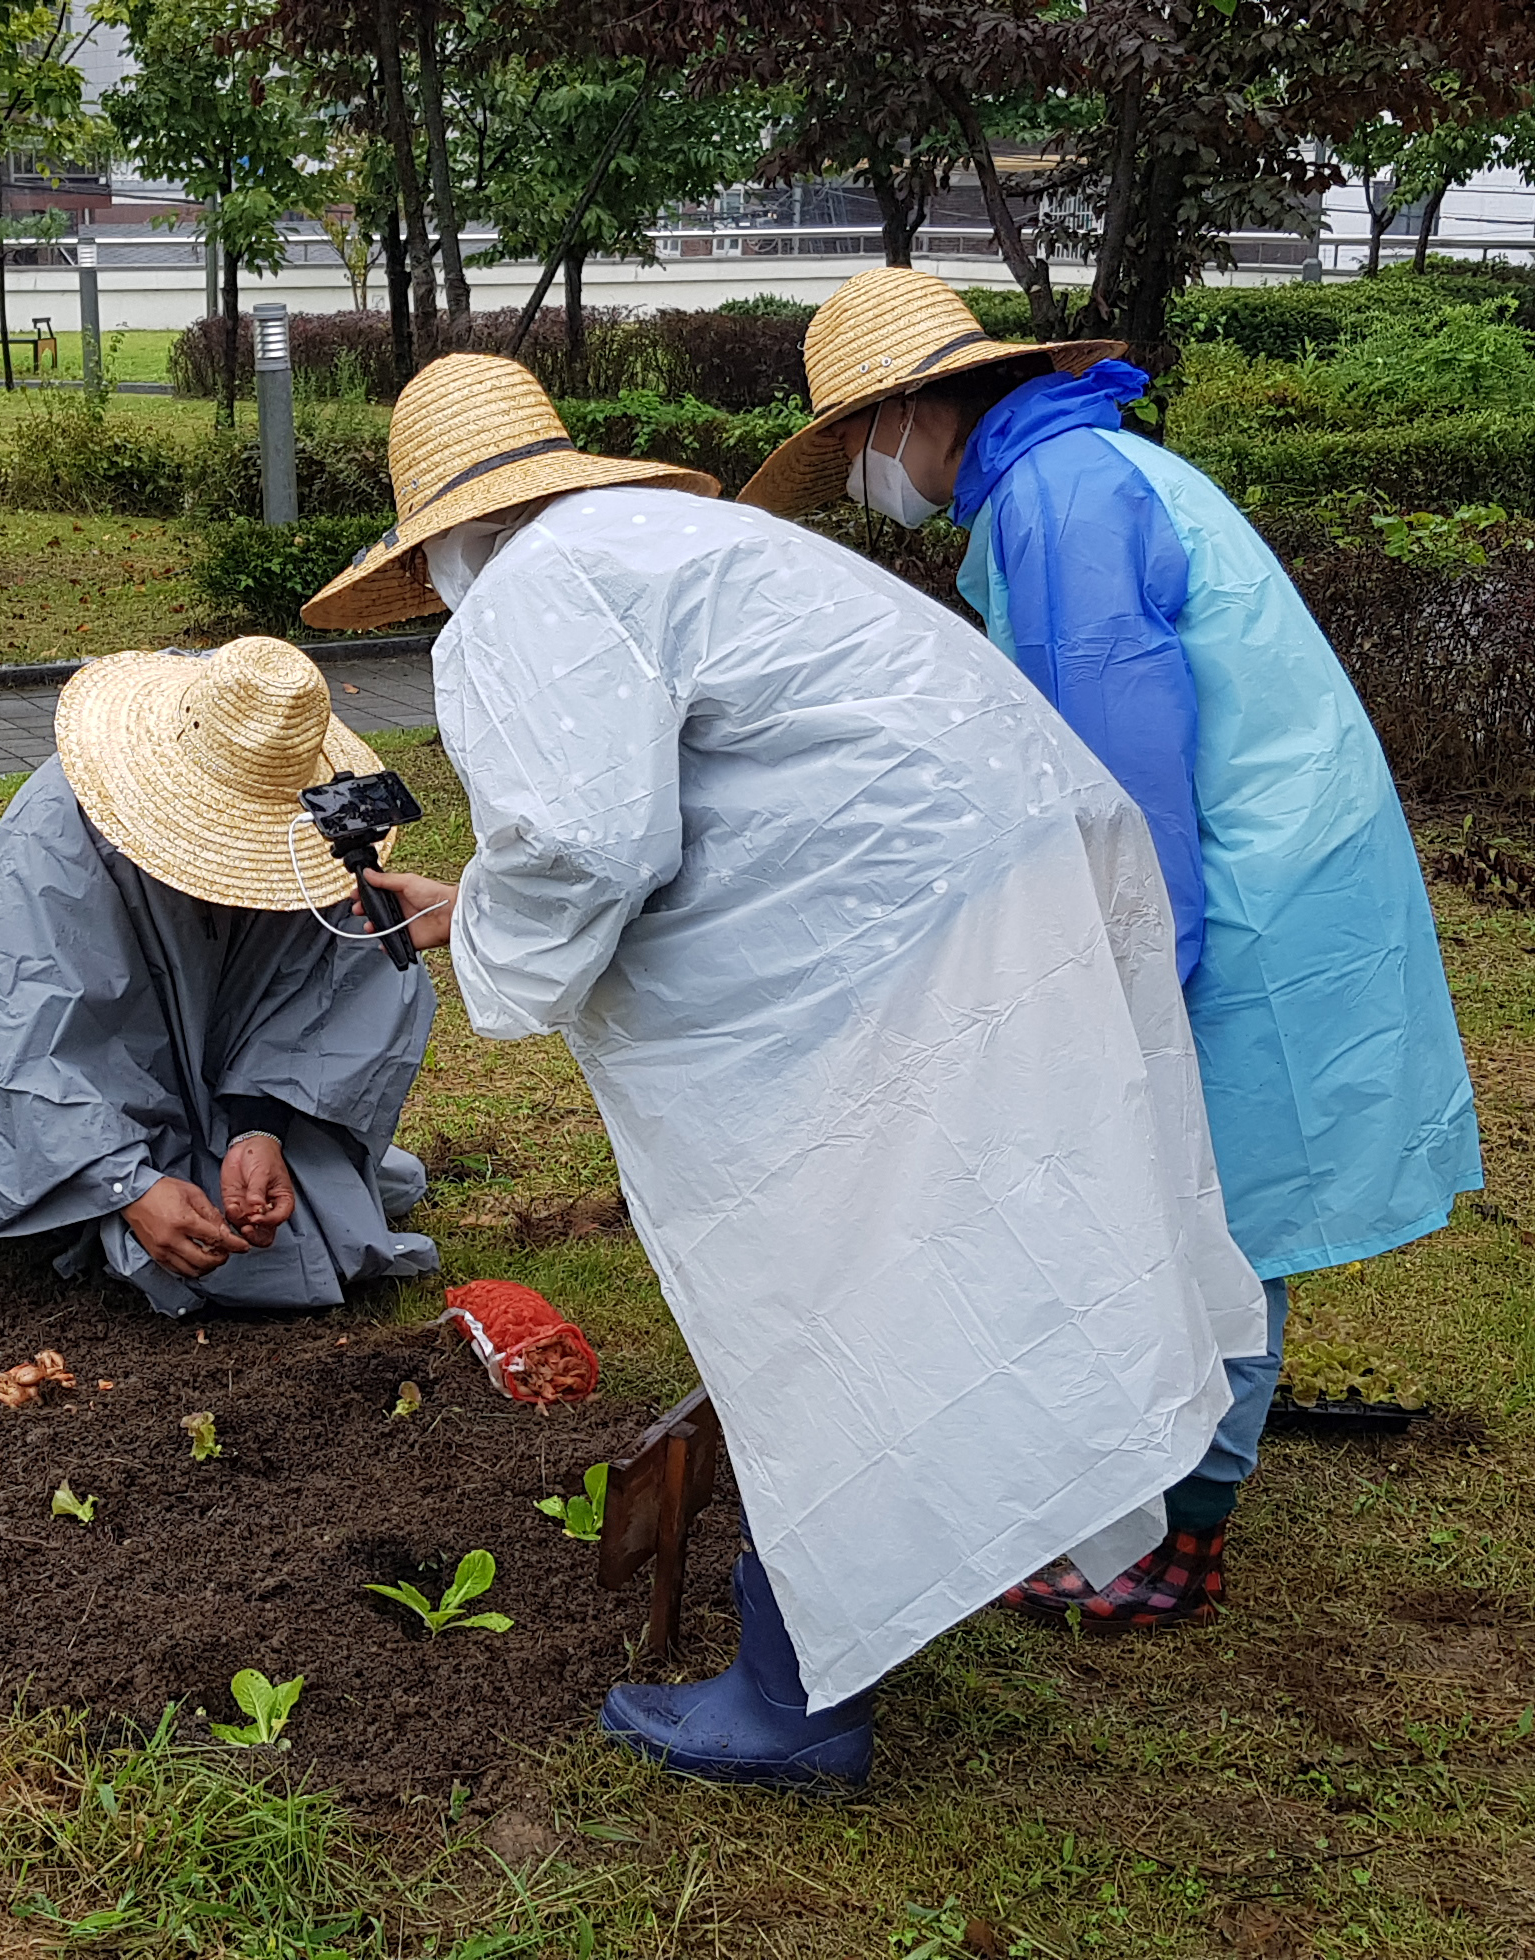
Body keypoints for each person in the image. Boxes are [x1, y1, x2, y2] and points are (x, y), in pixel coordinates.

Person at [298, 353, 1266, 1788]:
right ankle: (868, 1609)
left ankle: (800, 1684)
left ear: (438, 544)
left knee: (825, 1272)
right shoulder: (673, 543)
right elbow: (683, 797)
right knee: (952, 1251)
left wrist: (500, 942)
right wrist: (479, 907)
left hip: (900, 938)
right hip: (1005, 886)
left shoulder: (524, 599)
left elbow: (579, 847)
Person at [743, 268, 1482, 1629]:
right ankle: (1141, 1480)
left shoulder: (1064, 499)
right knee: (1193, 1186)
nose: (862, 472)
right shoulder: (1069, 473)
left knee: (1204, 1197)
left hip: (1238, 888)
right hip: (1257, 862)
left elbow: (1125, 760)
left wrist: (1129, 967)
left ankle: (1179, 1535)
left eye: (858, 439)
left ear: (916, 412)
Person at [0, 636, 440, 1317]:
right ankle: (97, 1183)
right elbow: (17, 1031)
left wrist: (258, 1126)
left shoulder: (318, 834)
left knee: (287, 1248)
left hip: (218, 1090)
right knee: (230, 1262)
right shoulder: (59, 832)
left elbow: (334, 985)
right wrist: (126, 1187)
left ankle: (211, 1151)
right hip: (63, 1101)